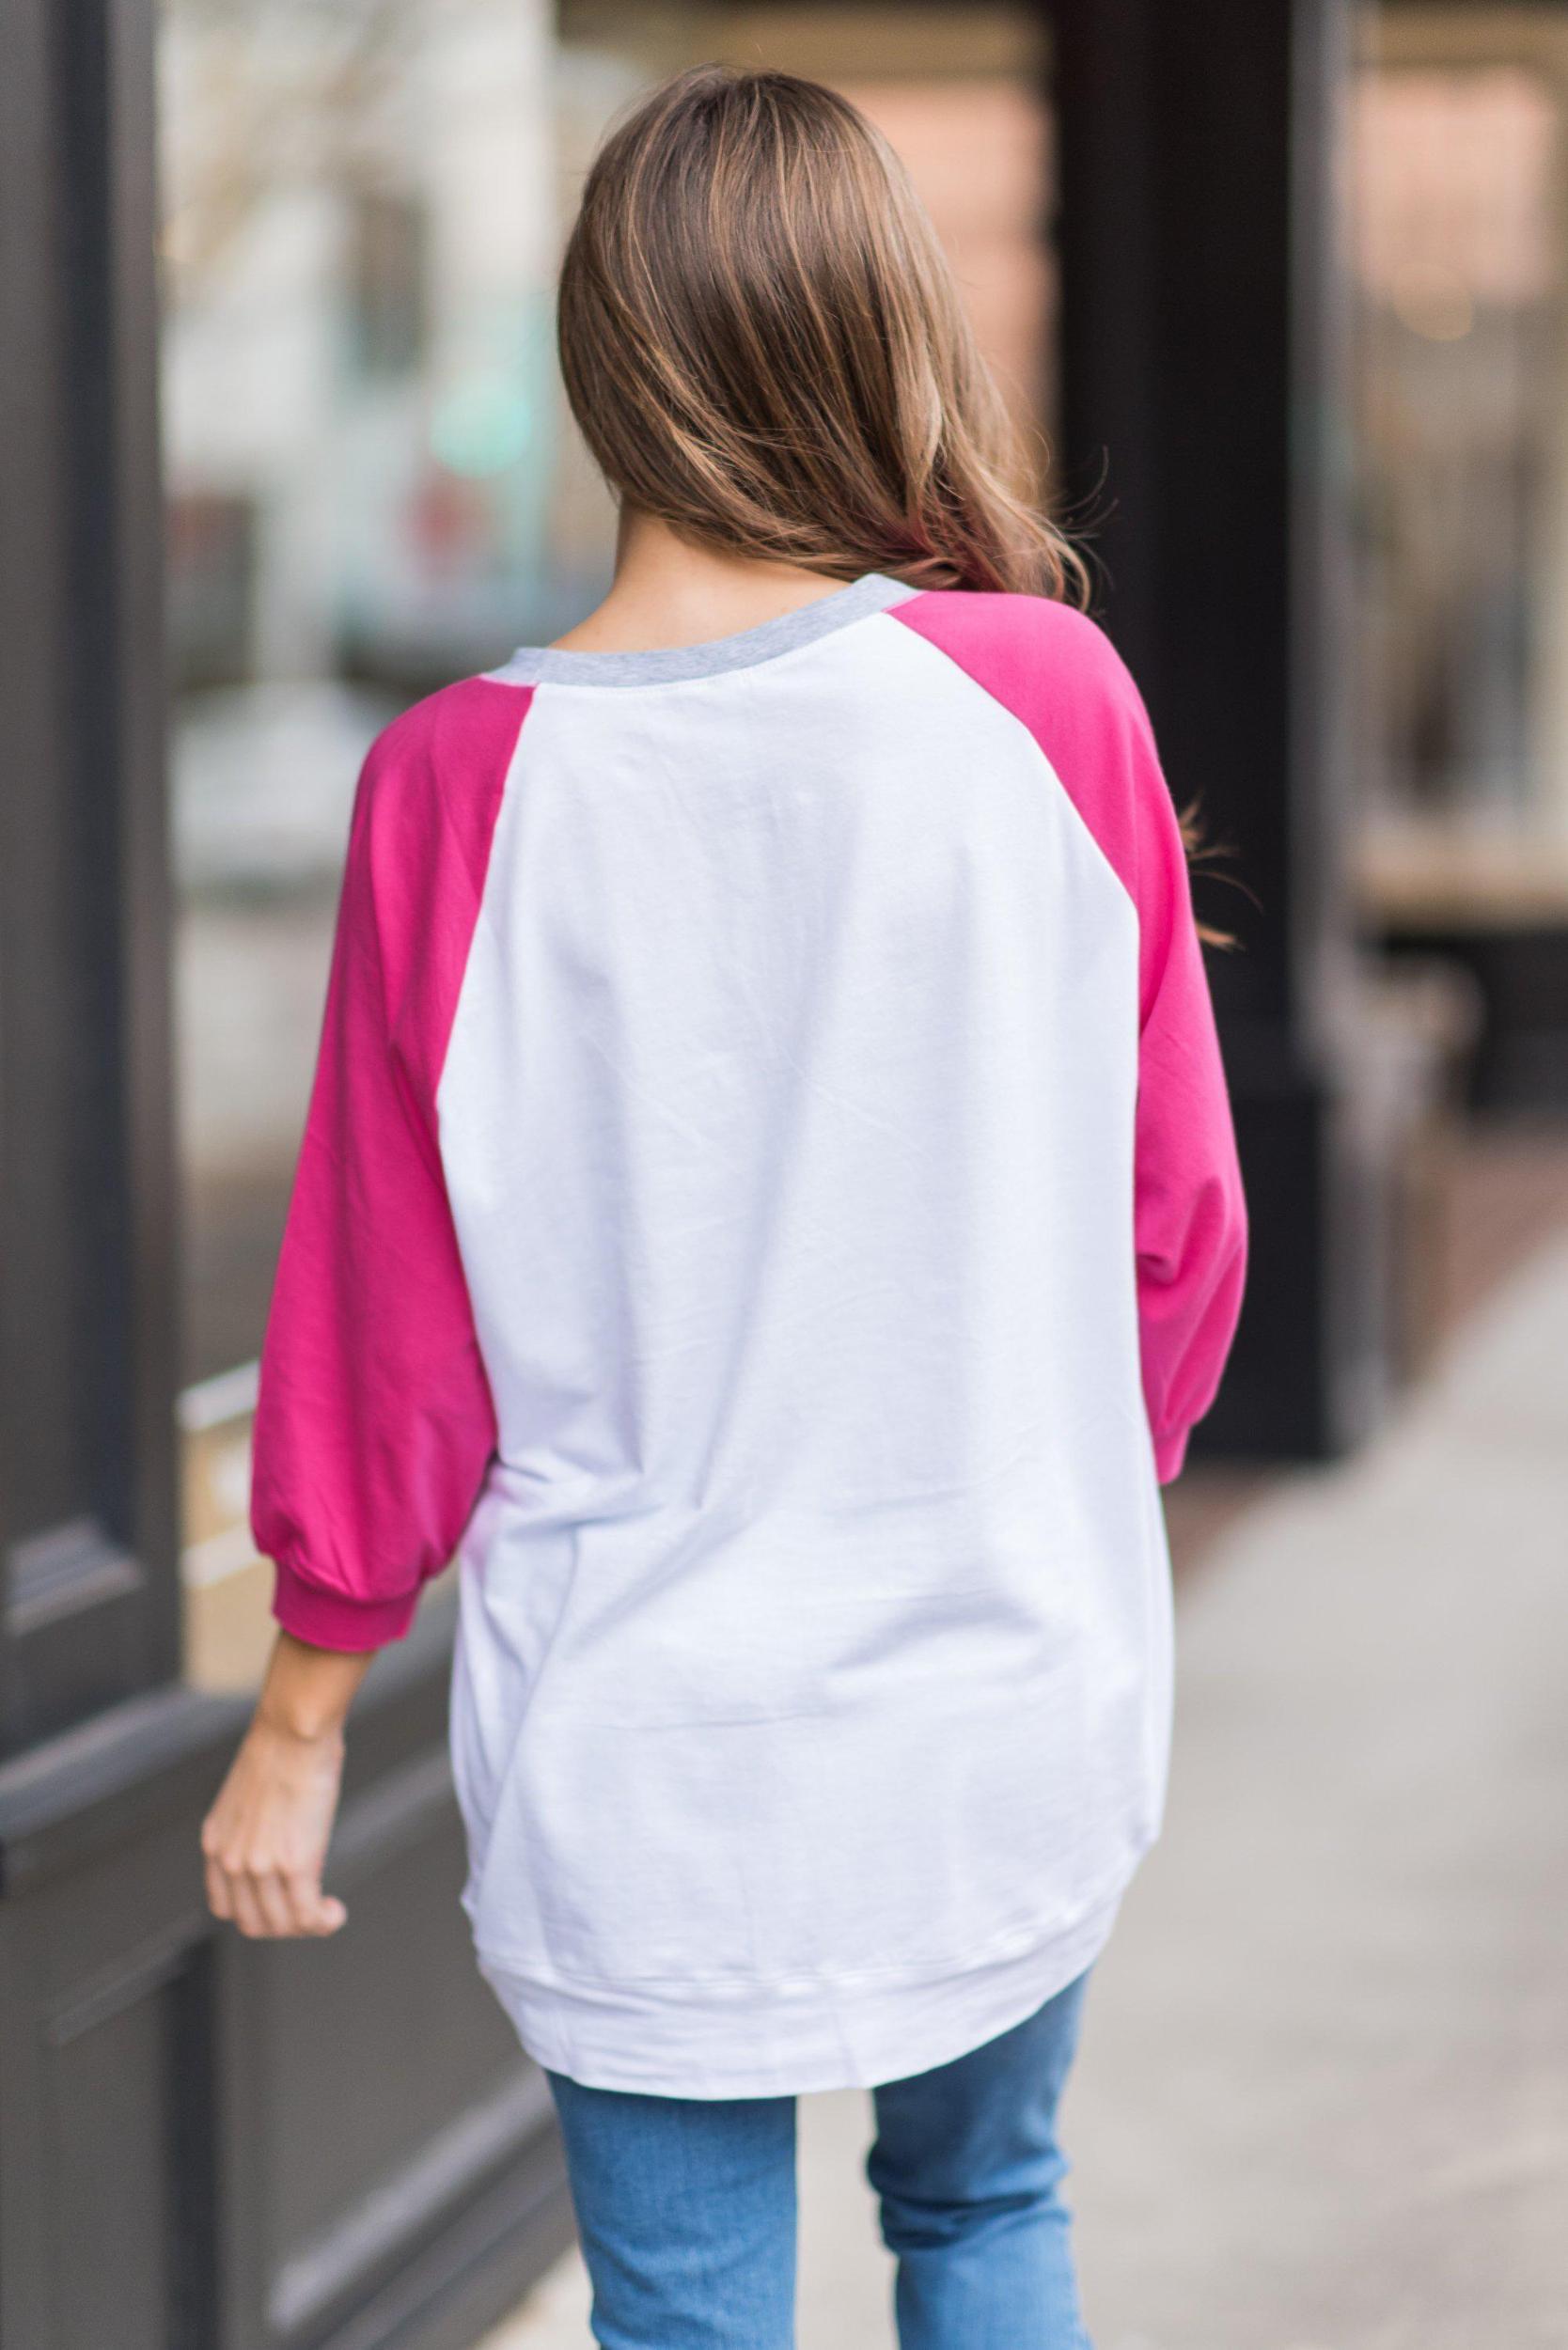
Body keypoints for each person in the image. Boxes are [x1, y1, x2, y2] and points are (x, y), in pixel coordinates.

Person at [201, 63, 1247, 2350]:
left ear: (603, 365)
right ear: (885, 331)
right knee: (988, 2210)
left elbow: (389, 1334)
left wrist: (299, 1707)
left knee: (683, 2310)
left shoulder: (457, 788)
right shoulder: (1047, 702)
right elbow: (1182, 1226)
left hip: (644, 1747)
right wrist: (1082, 1480)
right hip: (1000, 1674)